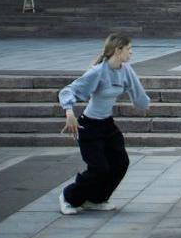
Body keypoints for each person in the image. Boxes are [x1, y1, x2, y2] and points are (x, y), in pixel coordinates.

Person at [58, 34, 149, 215]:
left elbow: (138, 92)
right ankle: (68, 197)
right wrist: (69, 112)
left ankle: (96, 199)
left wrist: (144, 104)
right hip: (89, 127)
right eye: (129, 49)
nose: (131, 53)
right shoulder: (98, 71)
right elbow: (69, 90)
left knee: (121, 163)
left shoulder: (126, 70)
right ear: (118, 50)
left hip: (107, 126)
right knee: (99, 169)